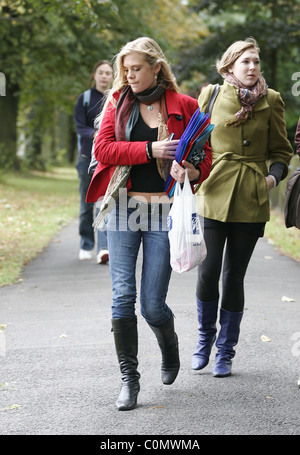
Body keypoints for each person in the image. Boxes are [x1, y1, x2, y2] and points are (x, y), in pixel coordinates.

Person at [86, 37, 212, 410]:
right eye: (125, 69)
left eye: (136, 68)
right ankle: (130, 380)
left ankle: (169, 346)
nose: (129, 75)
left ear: (156, 67)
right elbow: (103, 150)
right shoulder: (117, 103)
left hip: (163, 213)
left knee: (153, 306)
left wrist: (191, 169)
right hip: (124, 208)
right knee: (122, 296)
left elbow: (205, 158)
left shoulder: (184, 106)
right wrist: (150, 150)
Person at [173, 37, 293, 378]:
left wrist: (270, 180)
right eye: (245, 62)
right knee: (208, 273)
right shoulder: (211, 95)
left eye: (256, 61)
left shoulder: (272, 100)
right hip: (211, 193)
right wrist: (188, 169)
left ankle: (226, 351)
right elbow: (195, 144)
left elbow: (281, 152)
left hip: (251, 199)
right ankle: (204, 338)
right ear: (229, 67)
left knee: (233, 277)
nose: (253, 67)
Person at [74, 60, 114, 263]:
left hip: (106, 159)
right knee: (86, 205)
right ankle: (86, 244)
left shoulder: (116, 98)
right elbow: (80, 127)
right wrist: (96, 134)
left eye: (108, 73)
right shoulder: (85, 99)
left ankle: (104, 248)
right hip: (85, 158)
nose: (105, 76)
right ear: (95, 75)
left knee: (105, 204)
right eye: (101, 72)